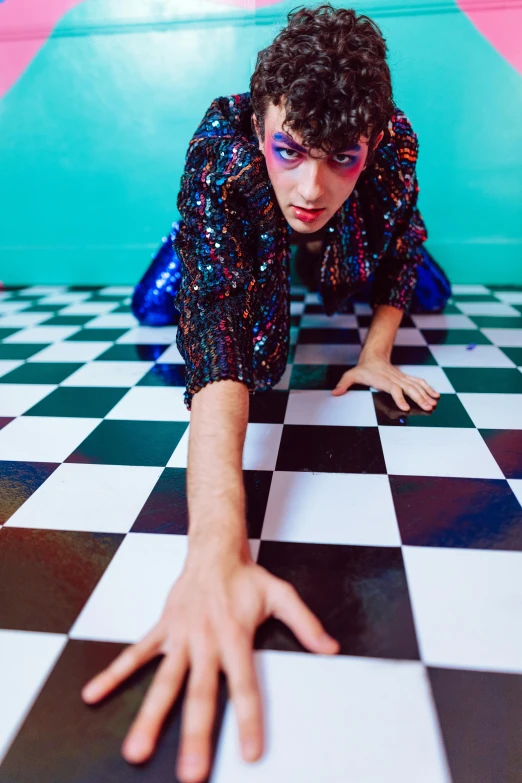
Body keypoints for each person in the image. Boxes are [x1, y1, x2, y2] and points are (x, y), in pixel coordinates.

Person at [81, 5, 451, 783]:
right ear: (258, 126)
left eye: (341, 158)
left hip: (330, 252)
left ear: (375, 140)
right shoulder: (224, 149)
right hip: (234, 227)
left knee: (429, 285)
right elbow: (216, 334)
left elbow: (400, 244)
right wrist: (216, 550)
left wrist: (375, 352)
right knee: (162, 303)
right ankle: (198, 233)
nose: (311, 184)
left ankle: (312, 256)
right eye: (289, 151)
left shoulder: (392, 146)